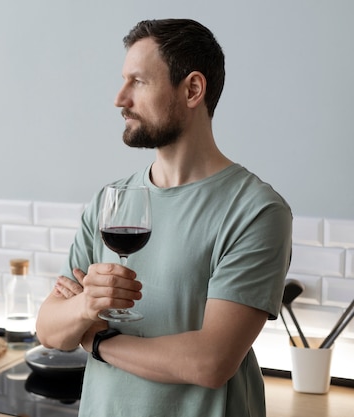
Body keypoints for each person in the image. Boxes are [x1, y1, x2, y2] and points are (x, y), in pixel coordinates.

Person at [35, 18, 292, 417]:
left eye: (138, 82)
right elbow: (49, 329)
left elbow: (210, 363)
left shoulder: (256, 211)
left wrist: (100, 342)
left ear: (192, 89)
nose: (120, 99)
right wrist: (87, 305)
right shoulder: (111, 201)